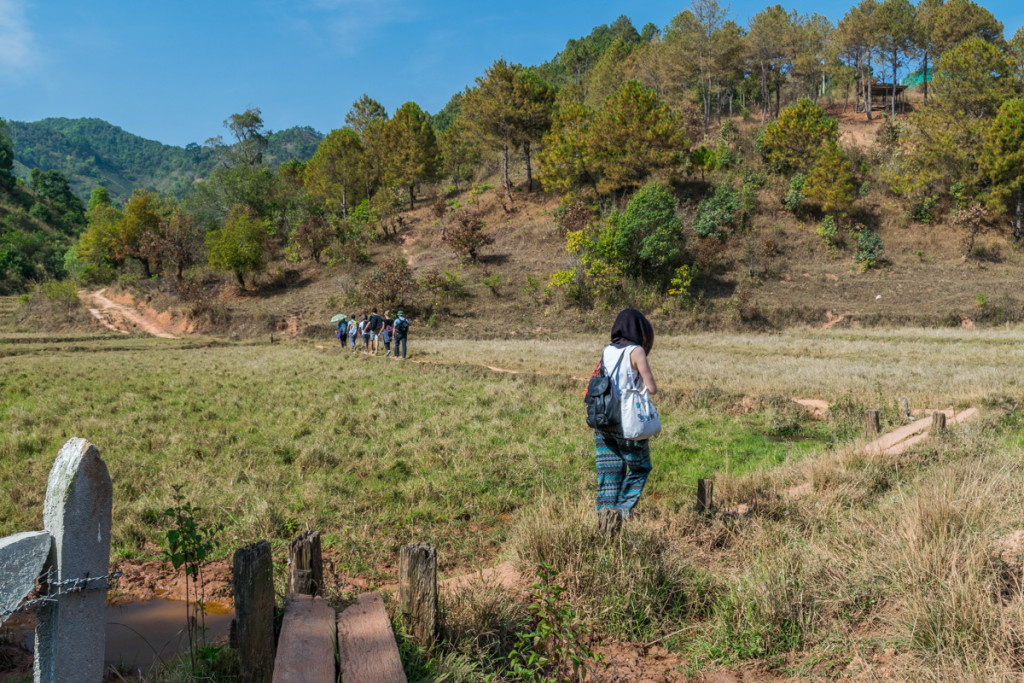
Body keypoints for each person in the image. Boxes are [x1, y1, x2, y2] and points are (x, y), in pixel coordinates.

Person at [594, 308, 658, 532]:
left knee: (609, 473)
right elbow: (651, 387)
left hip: (603, 420)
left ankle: (604, 526)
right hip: (628, 422)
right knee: (640, 468)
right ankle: (621, 513)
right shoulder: (637, 351)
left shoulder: (607, 350)